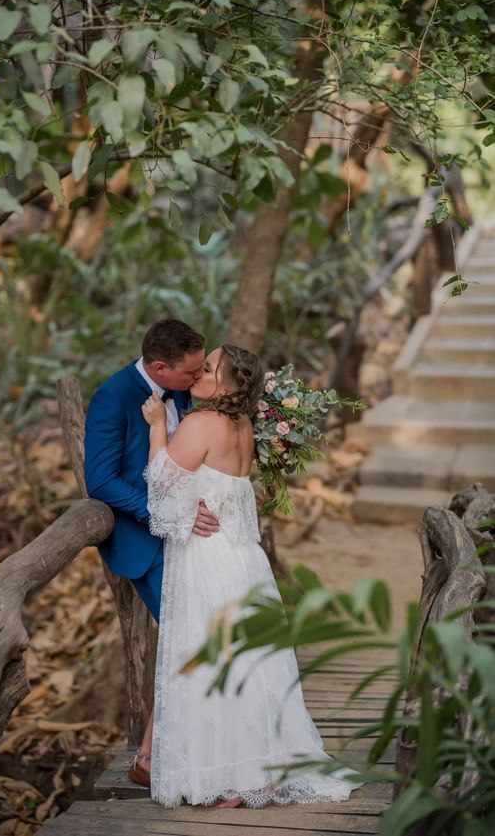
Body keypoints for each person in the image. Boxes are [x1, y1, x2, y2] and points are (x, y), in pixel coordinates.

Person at [141, 344, 359, 809]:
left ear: (228, 385)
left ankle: (239, 777)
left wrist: (158, 427)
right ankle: (258, 772)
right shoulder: (243, 427)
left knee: (214, 662)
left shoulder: (200, 423)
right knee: (247, 665)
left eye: (210, 367)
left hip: (208, 557)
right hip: (243, 559)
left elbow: (160, 489)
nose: (200, 370)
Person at [84, 319, 220, 787]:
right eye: (191, 373)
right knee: (194, 639)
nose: (198, 379)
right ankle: (163, 756)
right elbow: (100, 481)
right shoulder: (112, 397)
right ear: (160, 368)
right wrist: (166, 514)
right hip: (146, 541)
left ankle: (155, 755)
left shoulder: (181, 389)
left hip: (192, 539)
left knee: (201, 637)